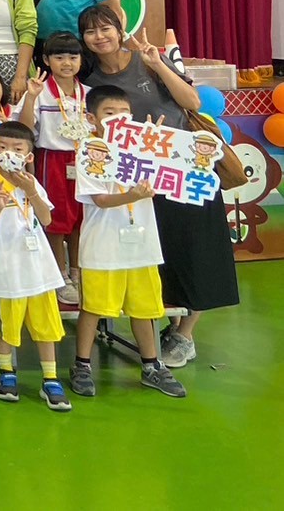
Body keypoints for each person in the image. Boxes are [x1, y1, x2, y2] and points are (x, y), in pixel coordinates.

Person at [77, 6, 236, 367]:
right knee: (159, 252)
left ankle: (184, 335)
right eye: (91, 31)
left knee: (196, 249)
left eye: (106, 28)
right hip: (139, 177)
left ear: (120, 30)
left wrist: (158, 63)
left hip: (183, 167)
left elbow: (193, 102)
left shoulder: (147, 61)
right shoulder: (90, 81)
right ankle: (170, 326)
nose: (100, 37)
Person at [69, 87, 187, 399]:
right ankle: (82, 364)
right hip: (103, 246)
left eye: (124, 114)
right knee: (93, 308)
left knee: (144, 308)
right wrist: (130, 196)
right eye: (110, 114)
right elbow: (100, 199)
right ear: (92, 118)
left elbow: (172, 178)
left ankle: (151, 366)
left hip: (142, 246)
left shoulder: (143, 148)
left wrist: (159, 146)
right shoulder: (90, 151)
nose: (119, 120)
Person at [0, 121, 72, 412]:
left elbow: (46, 219)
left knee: (46, 325)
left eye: (16, 148)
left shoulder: (30, 182)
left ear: (28, 155)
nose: (8, 153)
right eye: (2, 147)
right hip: (5, 271)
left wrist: (31, 191)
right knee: (6, 327)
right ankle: (6, 373)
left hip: (39, 270)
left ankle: (50, 378)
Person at [16, 32, 89, 305]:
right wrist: (30, 98)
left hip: (84, 160)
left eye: (73, 57)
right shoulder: (40, 91)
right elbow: (24, 129)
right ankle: (60, 276)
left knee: (81, 218)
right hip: (52, 160)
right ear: (46, 60)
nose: (67, 63)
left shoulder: (89, 93)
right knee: (56, 219)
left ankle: (78, 273)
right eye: (59, 57)